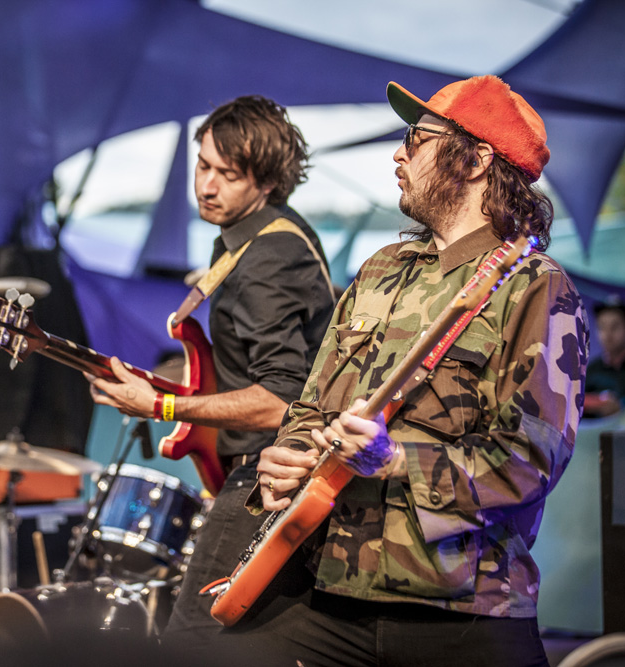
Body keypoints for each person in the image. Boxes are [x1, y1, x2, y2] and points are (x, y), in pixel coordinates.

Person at [246, 75, 588, 666]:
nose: (398, 154)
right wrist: (286, 463)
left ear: (478, 159)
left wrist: (396, 460)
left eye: (417, 138)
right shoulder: (381, 268)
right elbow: (311, 404)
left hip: (460, 613)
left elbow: (531, 461)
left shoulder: (538, 287)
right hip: (330, 594)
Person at [86, 95, 336, 645]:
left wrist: (161, 406)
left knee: (189, 644)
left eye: (229, 174)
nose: (207, 185)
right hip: (276, 474)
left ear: (267, 182)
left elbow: (279, 398)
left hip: (270, 476)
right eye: (204, 166)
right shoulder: (261, 238)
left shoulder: (268, 256)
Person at [583, 297, 625, 418]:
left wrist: (621, 406)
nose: (607, 334)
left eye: (615, 327)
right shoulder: (593, 369)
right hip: (597, 434)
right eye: (602, 327)